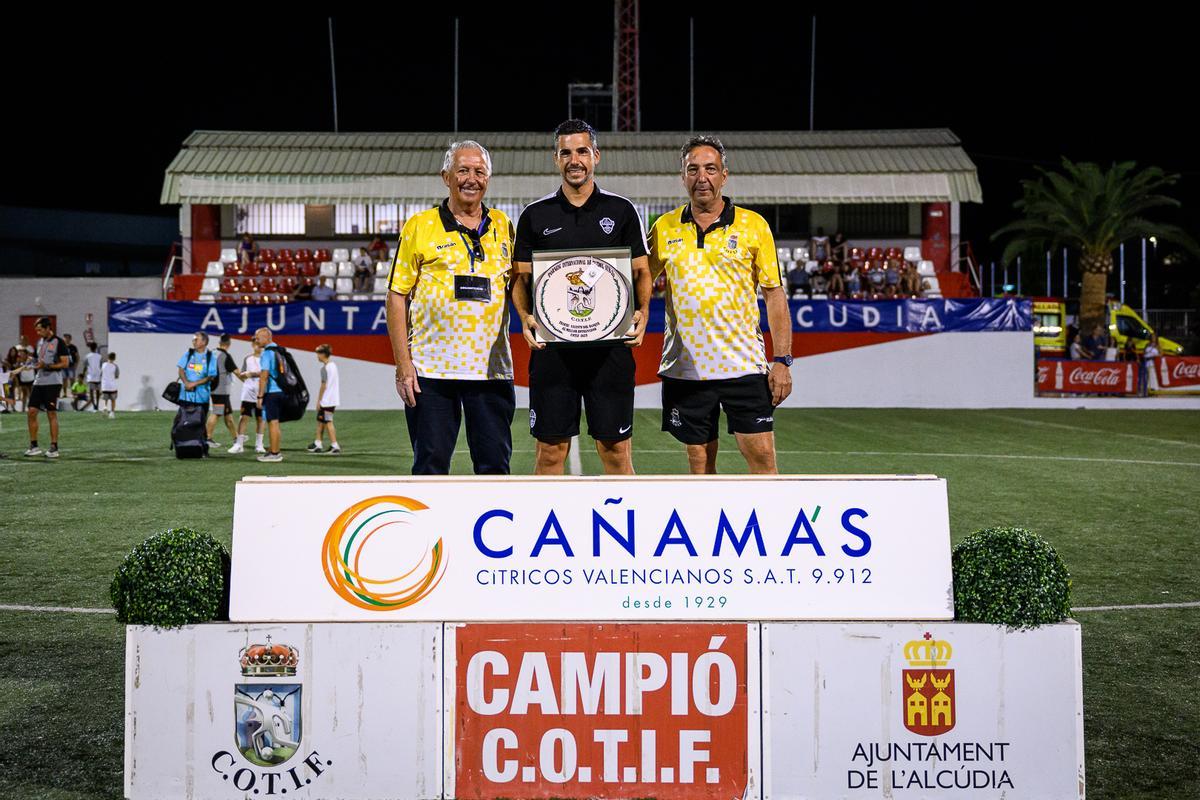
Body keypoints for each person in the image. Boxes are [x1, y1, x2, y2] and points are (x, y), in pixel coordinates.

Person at [510, 119, 652, 475]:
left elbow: (641, 272)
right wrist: (526, 317)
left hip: (610, 352)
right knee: (550, 452)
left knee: (616, 453)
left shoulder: (621, 210)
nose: (575, 160)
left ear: (596, 156)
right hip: (554, 353)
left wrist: (644, 311)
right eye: (566, 152)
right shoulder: (534, 215)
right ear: (556, 159)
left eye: (582, 151)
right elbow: (519, 280)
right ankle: (547, 531)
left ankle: (624, 528)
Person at [647, 135, 793, 474]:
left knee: (762, 461)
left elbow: (774, 295)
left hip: (742, 367)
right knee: (699, 466)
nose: (702, 177)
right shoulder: (664, 227)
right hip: (686, 369)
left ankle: (768, 526)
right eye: (693, 169)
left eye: (710, 169)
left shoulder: (754, 225)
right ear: (682, 177)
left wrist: (782, 360)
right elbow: (640, 281)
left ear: (723, 176)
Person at [386, 139, 516, 474]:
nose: (471, 178)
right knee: (430, 469)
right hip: (431, 373)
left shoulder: (504, 225)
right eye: (463, 170)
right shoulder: (420, 225)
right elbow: (396, 295)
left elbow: (520, 286)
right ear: (446, 176)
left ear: (488, 178)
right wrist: (404, 365)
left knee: (495, 470)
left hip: (491, 371)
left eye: (479, 171)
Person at [24, 317, 70, 458]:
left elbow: (65, 363)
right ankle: (34, 446)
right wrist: (33, 361)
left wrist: (47, 366)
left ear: (48, 328)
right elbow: (40, 361)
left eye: (40, 330)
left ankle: (54, 447)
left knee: (51, 413)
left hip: (53, 382)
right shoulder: (40, 342)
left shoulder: (59, 342)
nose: (38, 333)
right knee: (31, 412)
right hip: (39, 381)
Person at [176, 331, 218, 453]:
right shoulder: (188, 354)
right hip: (186, 396)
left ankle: (201, 449)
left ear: (204, 342)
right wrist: (186, 382)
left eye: (196, 339)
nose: (194, 341)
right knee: (184, 422)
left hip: (202, 397)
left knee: (200, 423)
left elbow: (210, 376)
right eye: (193, 339)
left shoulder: (210, 357)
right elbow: (181, 369)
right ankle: (183, 448)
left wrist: (194, 383)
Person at [254, 328, 286, 463]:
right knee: (275, 423)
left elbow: (264, 376)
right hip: (281, 390)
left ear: (267, 337)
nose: (256, 340)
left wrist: (260, 396)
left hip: (272, 392)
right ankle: (274, 450)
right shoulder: (279, 350)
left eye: (258, 338)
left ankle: (275, 453)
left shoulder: (267, 353)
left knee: (272, 423)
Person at [228, 340, 266, 454]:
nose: (258, 346)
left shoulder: (266, 359)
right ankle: (239, 444)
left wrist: (252, 374)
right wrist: (244, 376)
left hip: (262, 392)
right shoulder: (247, 358)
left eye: (260, 345)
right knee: (244, 417)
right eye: (256, 344)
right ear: (252, 345)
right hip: (248, 392)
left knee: (260, 418)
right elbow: (243, 374)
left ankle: (259, 444)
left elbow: (268, 373)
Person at [205, 333, 238, 447]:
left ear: (220, 342)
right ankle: (207, 438)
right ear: (229, 344)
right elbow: (237, 372)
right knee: (216, 413)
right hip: (221, 389)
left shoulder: (212, 353)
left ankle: (236, 438)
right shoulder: (225, 356)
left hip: (214, 387)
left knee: (228, 415)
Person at [307, 344, 342, 454]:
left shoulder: (325, 369)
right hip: (332, 399)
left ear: (323, 354)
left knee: (328, 421)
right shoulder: (333, 366)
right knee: (321, 420)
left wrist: (319, 400)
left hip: (327, 400)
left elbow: (324, 385)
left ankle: (334, 445)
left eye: (318, 353)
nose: (317, 356)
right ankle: (318, 443)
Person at [84, 341, 103, 412]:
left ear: (90, 348)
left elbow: (85, 366)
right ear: (96, 348)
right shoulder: (100, 356)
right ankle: (97, 405)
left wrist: (83, 373)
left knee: (91, 392)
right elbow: (101, 366)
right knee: (98, 391)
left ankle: (94, 405)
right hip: (98, 375)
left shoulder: (87, 356)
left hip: (91, 376)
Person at [100, 352, 119, 417]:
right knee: (113, 400)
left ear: (108, 357)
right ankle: (112, 413)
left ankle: (105, 407)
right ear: (114, 358)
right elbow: (116, 376)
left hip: (105, 385)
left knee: (105, 399)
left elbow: (101, 374)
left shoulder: (103, 365)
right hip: (112, 386)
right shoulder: (115, 366)